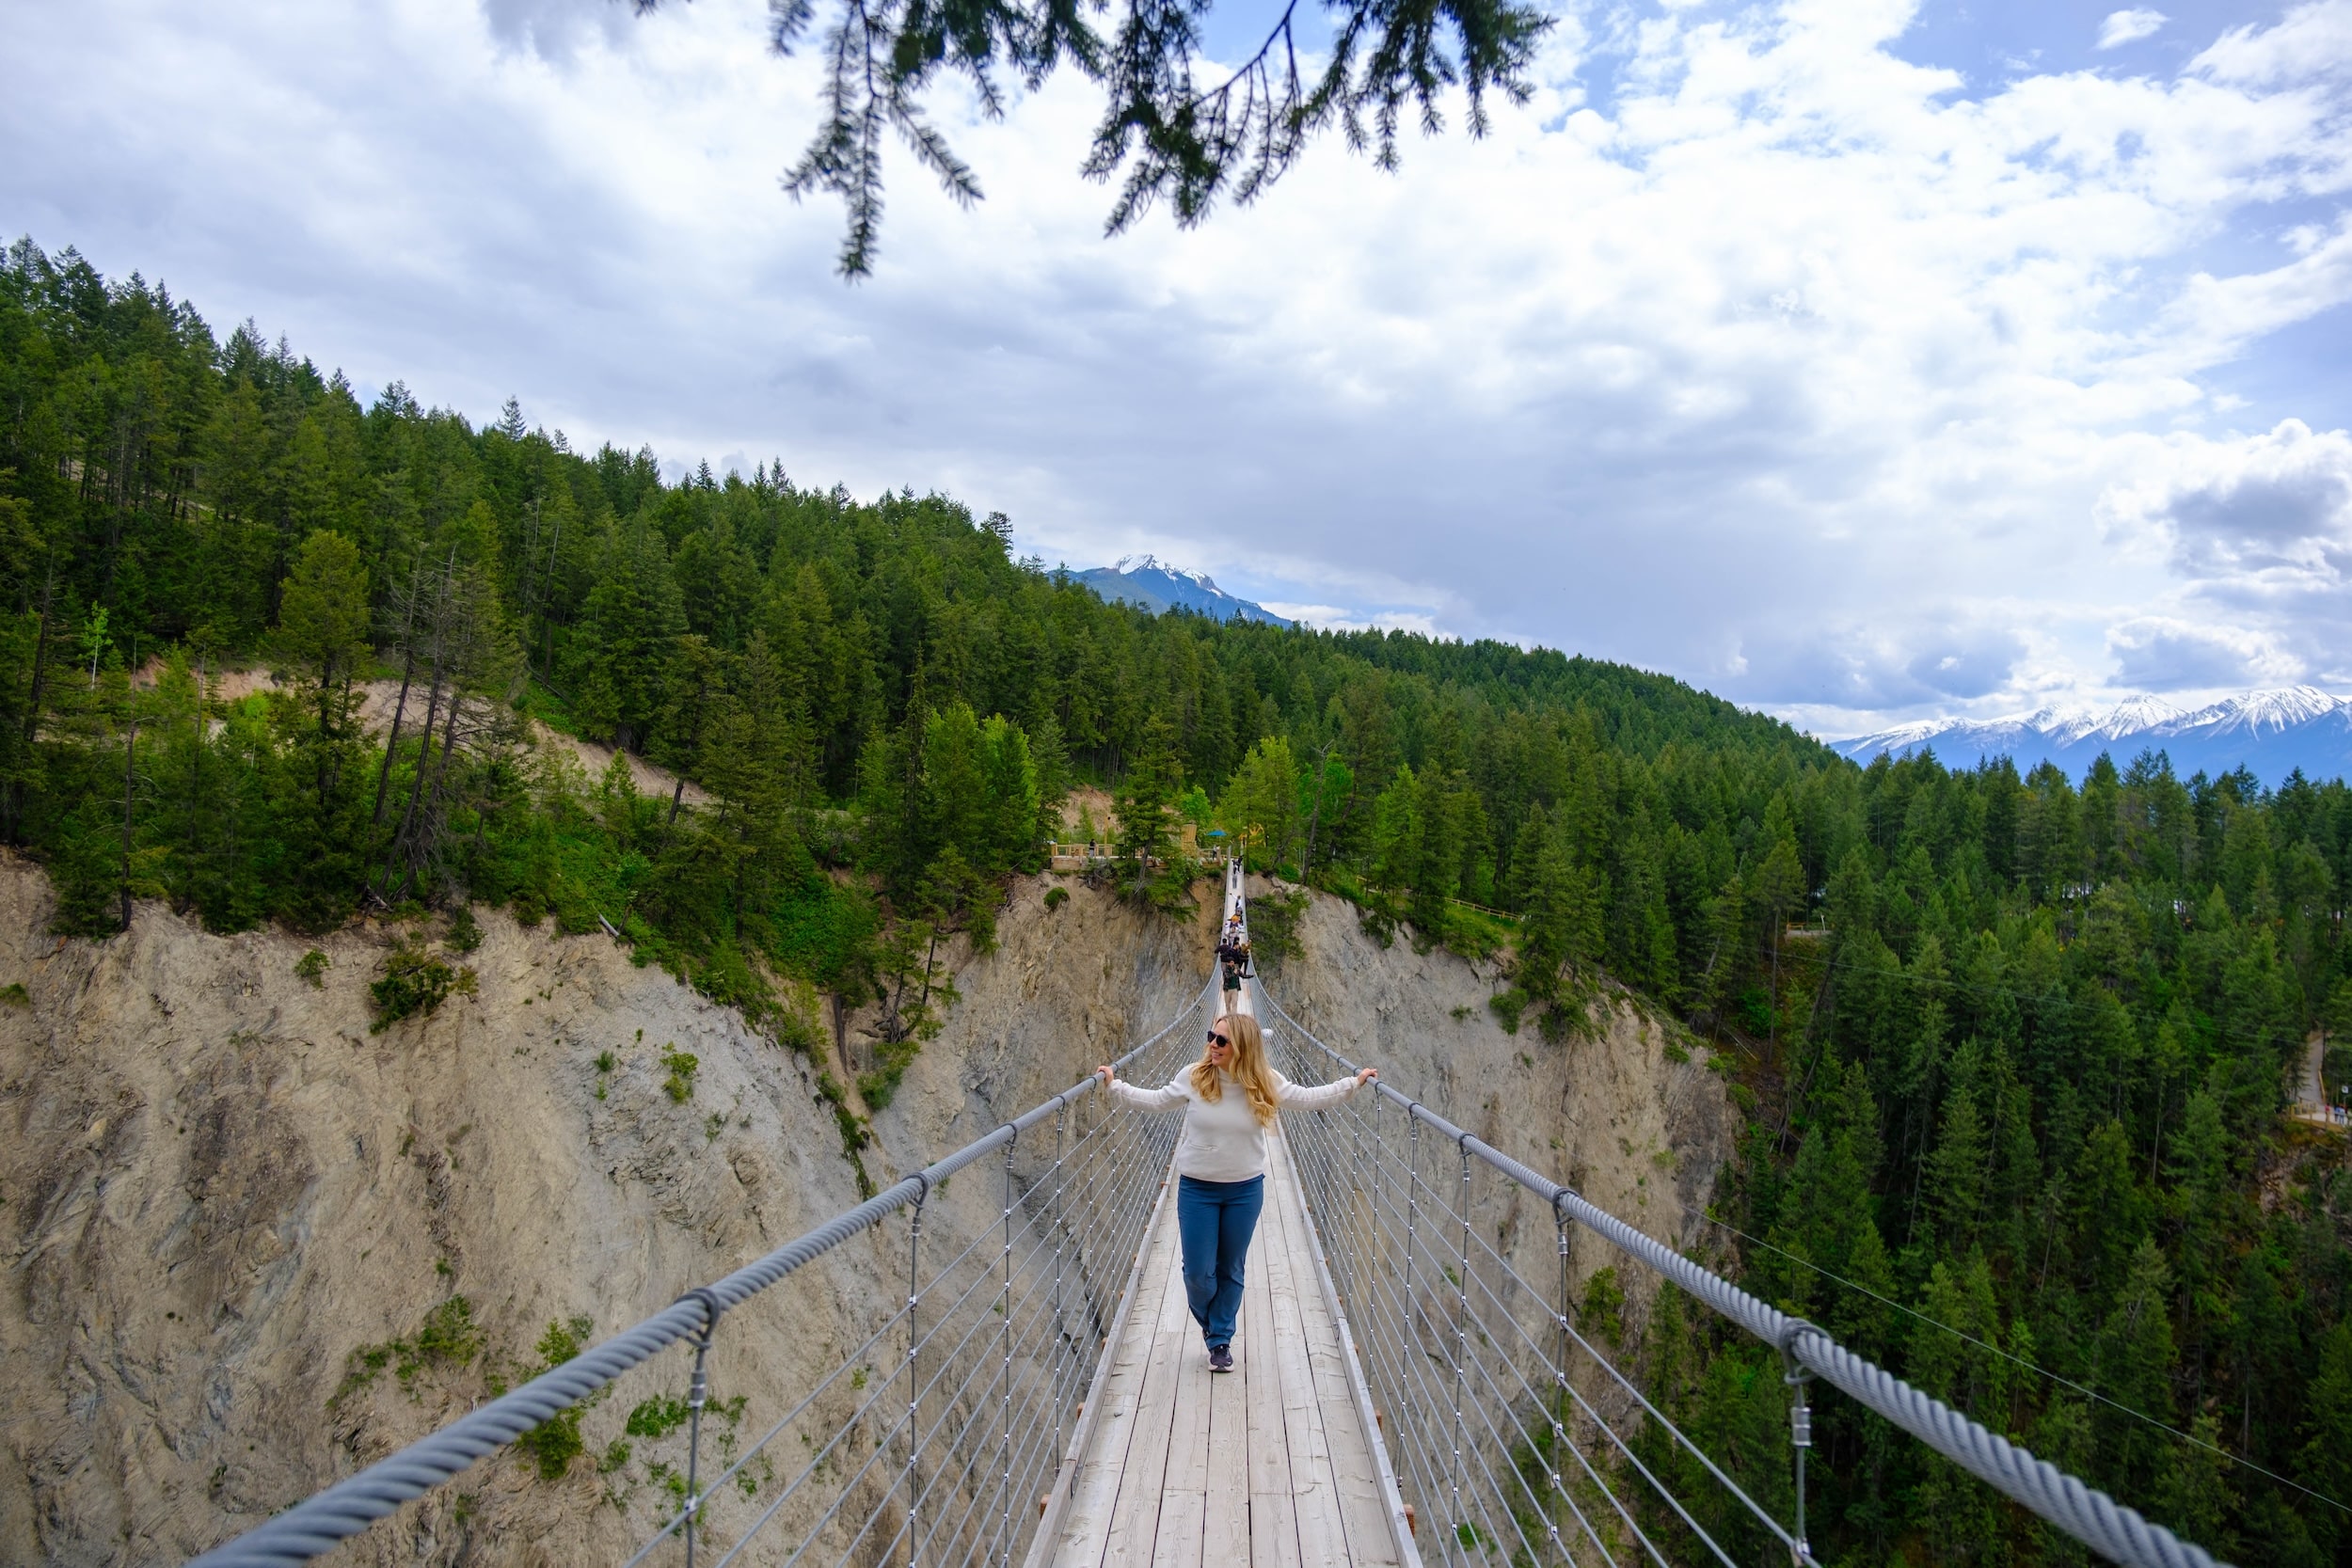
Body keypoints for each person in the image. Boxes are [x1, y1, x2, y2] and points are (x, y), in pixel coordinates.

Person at [1096, 1013, 1375, 1372]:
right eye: (1212, 1036)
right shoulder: (1193, 1077)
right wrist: (1113, 1086)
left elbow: (1308, 1098)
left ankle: (1219, 1340)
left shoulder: (1264, 1083)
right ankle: (1215, 1326)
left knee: (1230, 1268)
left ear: (1242, 1047)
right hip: (1197, 1189)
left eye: (1222, 1040)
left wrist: (1354, 1083)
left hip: (1244, 1190)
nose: (1212, 1044)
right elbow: (1156, 1101)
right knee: (1198, 1273)